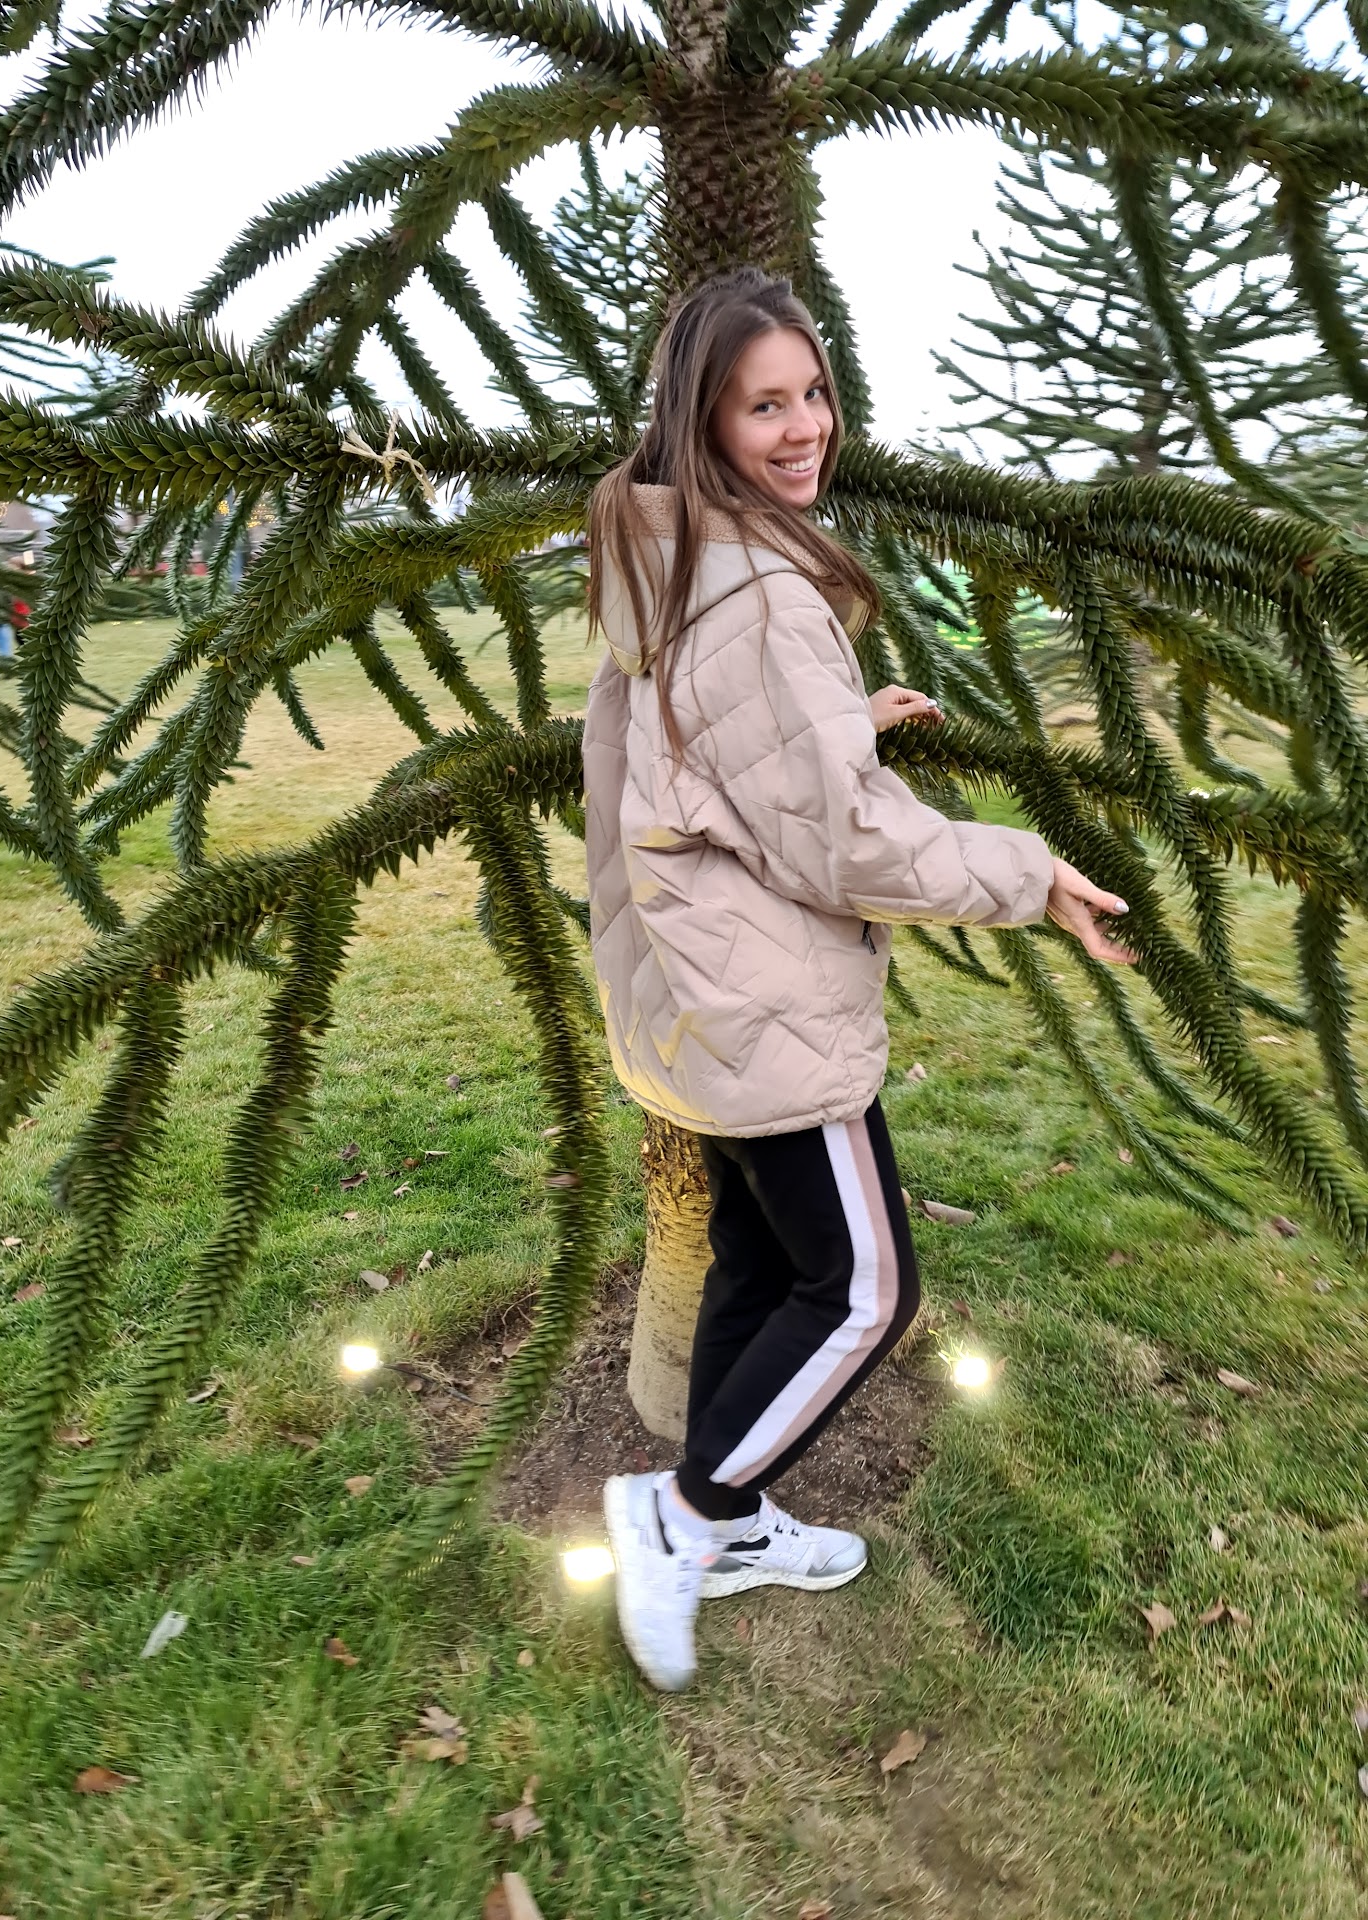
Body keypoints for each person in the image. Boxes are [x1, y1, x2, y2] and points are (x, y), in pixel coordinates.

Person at [582, 267, 1134, 1693]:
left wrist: (840, 721)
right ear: (704, 421)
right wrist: (1030, 873)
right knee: (866, 1288)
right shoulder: (757, 593)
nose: (805, 428)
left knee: (764, 1262)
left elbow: (708, 755)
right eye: (764, 406)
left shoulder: (666, 554)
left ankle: (731, 1519)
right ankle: (688, 1513)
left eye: (813, 394)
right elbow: (843, 840)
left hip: (696, 991)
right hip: (766, 1001)